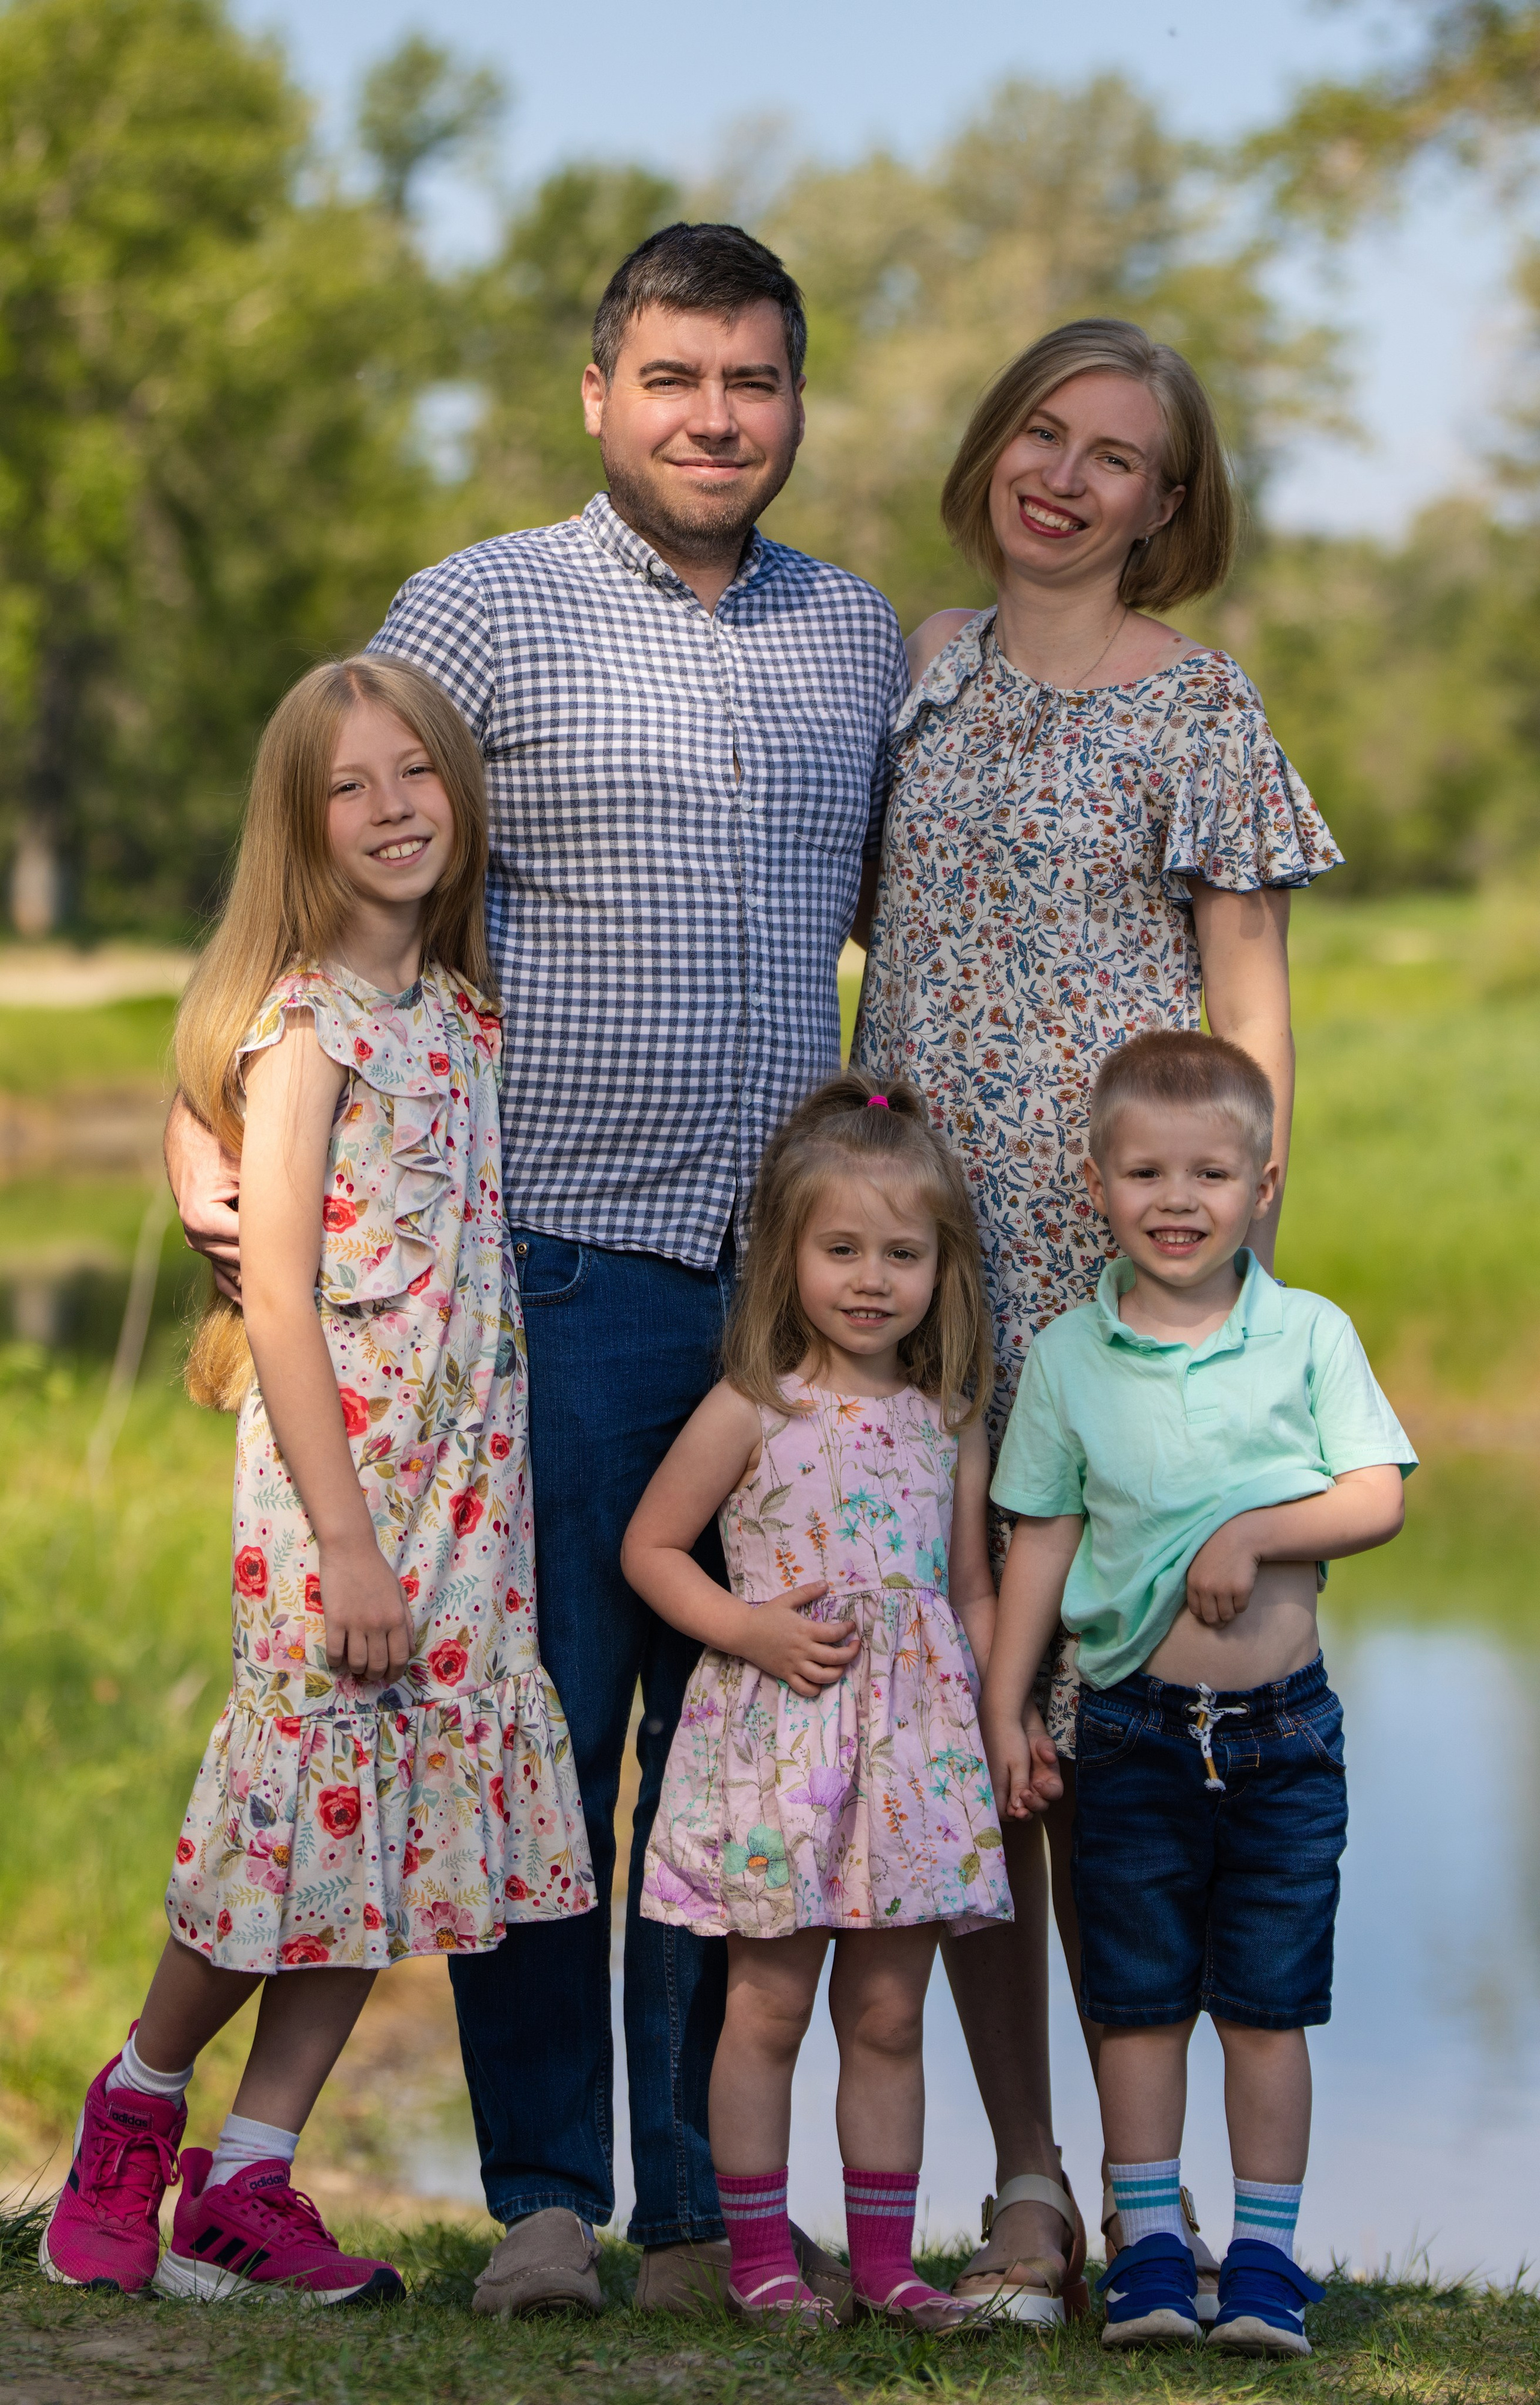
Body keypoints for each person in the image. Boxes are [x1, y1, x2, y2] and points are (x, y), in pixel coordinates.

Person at [164, 221, 908, 2315]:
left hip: (785, 1307)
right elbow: (316, 842)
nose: (714, 416)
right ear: (600, 394)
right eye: (674, 376)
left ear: (794, 400)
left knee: (738, 1749)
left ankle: (705, 2206)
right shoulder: (481, 606)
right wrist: (199, 1113)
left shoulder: (853, 634)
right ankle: (550, 2199)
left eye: (752, 379)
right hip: (549, 1280)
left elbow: (900, 909)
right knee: (546, 1740)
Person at [852, 316, 1343, 2318]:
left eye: (1115, 455)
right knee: (976, 1731)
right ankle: (1030, 2185)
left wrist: (1220, 1287)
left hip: (1113, 1281)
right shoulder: (918, 669)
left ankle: (1177, 2209)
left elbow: (1253, 1013)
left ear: (1166, 502)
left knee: (1115, 1741)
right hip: (915, 1268)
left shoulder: (1202, 707)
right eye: (1042, 433)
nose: (1064, 476)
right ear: (995, 445)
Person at [42, 656, 591, 2304]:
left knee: (393, 1823)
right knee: (289, 1803)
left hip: (464, 1498)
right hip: (335, 1497)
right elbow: (275, 1294)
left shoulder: (460, 1014)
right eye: (349, 786)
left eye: (414, 771)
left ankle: (250, 2179)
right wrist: (349, 1546)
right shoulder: (304, 1027)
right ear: (300, 822)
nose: (392, 807)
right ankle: (137, 2105)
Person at [981, 1029, 1414, 2356]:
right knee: (1137, 2000)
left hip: (1284, 1737)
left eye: (1210, 1175)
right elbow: (1041, 1538)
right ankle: (1153, 2254)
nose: (1177, 1201)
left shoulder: (1307, 1335)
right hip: (1132, 1729)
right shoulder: (1069, 1356)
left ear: (1261, 1184)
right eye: (1146, 1174)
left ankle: (1267, 2262)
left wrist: (1252, 1531)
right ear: (1097, 1185)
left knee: (1268, 2004)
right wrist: (1006, 1705)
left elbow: (1375, 1495)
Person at [623, 1072, 1010, 2332]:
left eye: (902, 1254)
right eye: (840, 1249)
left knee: (889, 2013)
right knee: (769, 2004)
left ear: (941, 1268)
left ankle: (887, 2264)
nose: (870, 1279)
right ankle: (758, 2260)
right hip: (779, 1753)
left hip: (911, 1760)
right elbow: (651, 1548)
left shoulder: (949, 1418)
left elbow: (968, 1587)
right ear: (786, 1255)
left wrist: (992, 1724)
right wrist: (750, 1628)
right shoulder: (754, 1404)